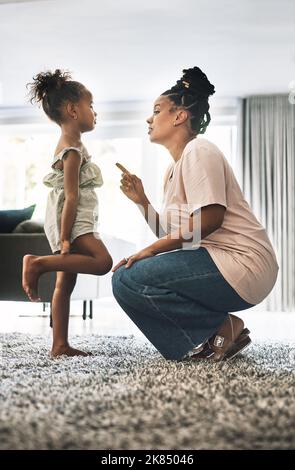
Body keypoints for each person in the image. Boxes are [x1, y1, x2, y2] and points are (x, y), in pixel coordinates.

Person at [112, 66, 279, 362]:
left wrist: (148, 251)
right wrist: (142, 201)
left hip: (243, 262)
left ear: (179, 116)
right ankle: (216, 333)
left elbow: (209, 221)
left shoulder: (198, 150)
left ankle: (217, 328)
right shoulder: (174, 169)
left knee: (128, 278)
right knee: (126, 279)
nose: (149, 119)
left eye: (157, 110)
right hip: (220, 263)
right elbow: (174, 236)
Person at [22, 69, 112, 357]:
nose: (95, 112)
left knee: (66, 281)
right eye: (91, 105)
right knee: (102, 262)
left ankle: (59, 345)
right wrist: (64, 238)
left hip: (68, 218)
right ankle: (36, 263)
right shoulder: (71, 150)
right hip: (72, 221)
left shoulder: (73, 145)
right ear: (73, 110)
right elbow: (71, 197)